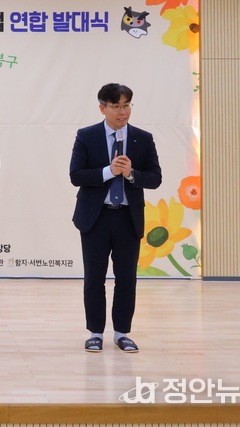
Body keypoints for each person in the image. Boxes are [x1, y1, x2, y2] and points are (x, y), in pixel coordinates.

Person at [69, 83, 161, 353]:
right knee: (94, 278)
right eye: (116, 106)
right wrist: (109, 171)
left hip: (128, 219)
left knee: (126, 279)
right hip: (95, 218)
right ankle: (95, 333)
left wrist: (131, 173)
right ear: (102, 108)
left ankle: (122, 333)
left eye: (126, 105)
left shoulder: (143, 138)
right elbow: (76, 175)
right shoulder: (87, 136)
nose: (123, 112)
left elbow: (155, 178)